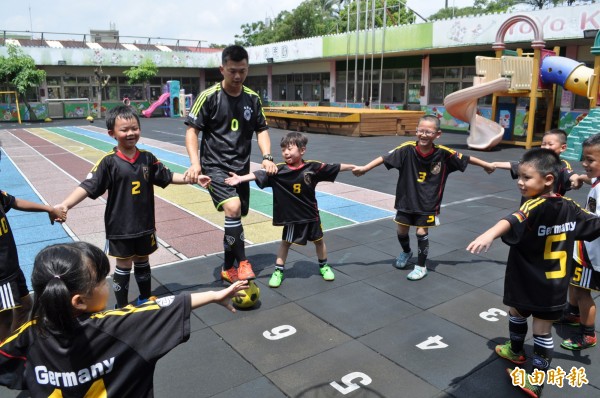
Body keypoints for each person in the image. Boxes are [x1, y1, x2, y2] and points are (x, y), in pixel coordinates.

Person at [0, 241, 248, 396]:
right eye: (101, 280)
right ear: (79, 301)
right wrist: (215, 296)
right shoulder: (117, 326)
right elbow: (169, 305)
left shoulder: (31, 334)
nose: (107, 284)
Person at [467, 148, 600, 398]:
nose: (520, 182)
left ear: (548, 179)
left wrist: (489, 234)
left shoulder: (535, 204)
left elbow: (512, 219)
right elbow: (594, 224)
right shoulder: (570, 205)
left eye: (526, 178)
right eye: (520, 176)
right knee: (542, 330)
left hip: (527, 278)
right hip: (555, 286)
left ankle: (519, 355)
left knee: (519, 313)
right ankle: (534, 377)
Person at [57, 105, 191, 308]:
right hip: (120, 227)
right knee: (124, 265)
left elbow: (168, 176)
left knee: (143, 260)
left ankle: (145, 298)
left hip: (145, 224)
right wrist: (66, 204)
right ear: (112, 133)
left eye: (134, 128)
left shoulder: (147, 158)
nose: (131, 133)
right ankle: (122, 307)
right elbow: (88, 186)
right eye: (124, 130)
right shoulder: (108, 163)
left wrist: (191, 179)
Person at [352, 114, 495, 281]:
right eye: (421, 131)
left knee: (421, 232)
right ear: (416, 131)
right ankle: (406, 252)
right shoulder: (406, 149)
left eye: (429, 132)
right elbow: (384, 157)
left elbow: (466, 158)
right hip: (406, 200)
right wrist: (365, 168)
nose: (424, 135)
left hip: (428, 202)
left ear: (437, 134)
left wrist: (486, 165)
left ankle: (421, 266)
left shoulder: (443, 154)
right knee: (401, 230)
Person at [184, 44, 277, 284]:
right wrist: (195, 164)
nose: (237, 76)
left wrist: (267, 157)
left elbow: (262, 130)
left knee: (235, 218)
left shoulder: (252, 99)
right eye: (233, 71)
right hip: (214, 166)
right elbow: (192, 131)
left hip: (241, 169)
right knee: (233, 208)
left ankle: (227, 266)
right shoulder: (209, 96)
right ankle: (243, 262)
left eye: (243, 71)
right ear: (222, 69)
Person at [225, 132, 355, 287]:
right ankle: (278, 271)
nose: (286, 152)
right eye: (283, 149)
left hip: (311, 215)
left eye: (290, 149)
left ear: (302, 150)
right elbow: (258, 174)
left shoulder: (312, 167)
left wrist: (354, 167)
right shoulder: (278, 170)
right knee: (285, 243)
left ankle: (324, 266)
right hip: (292, 217)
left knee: (319, 241)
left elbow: (335, 167)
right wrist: (240, 178)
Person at [0, 187, 65, 340]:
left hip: (11, 267)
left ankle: (15, 347)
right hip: (3, 274)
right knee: (4, 320)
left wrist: (48, 209)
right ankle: (6, 358)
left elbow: (14, 201)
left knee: (25, 306)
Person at [558, 134, 600, 351]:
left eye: (590, 160)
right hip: (584, 248)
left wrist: (575, 216)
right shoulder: (598, 180)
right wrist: (580, 178)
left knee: (585, 292)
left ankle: (588, 333)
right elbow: (590, 179)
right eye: (584, 158)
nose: (584, 164)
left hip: (593, 254)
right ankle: (573, 312)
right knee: (576, 282)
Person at [492, 129, 582, 197]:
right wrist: (494, 164)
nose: (545, 147)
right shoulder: (535, 161)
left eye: (550, 144)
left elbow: (570, 174)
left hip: (550, 208)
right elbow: (516, 165)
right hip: (529, 205)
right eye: (543, 144)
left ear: (563, 147)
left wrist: (577, 179)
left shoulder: (562, 164)